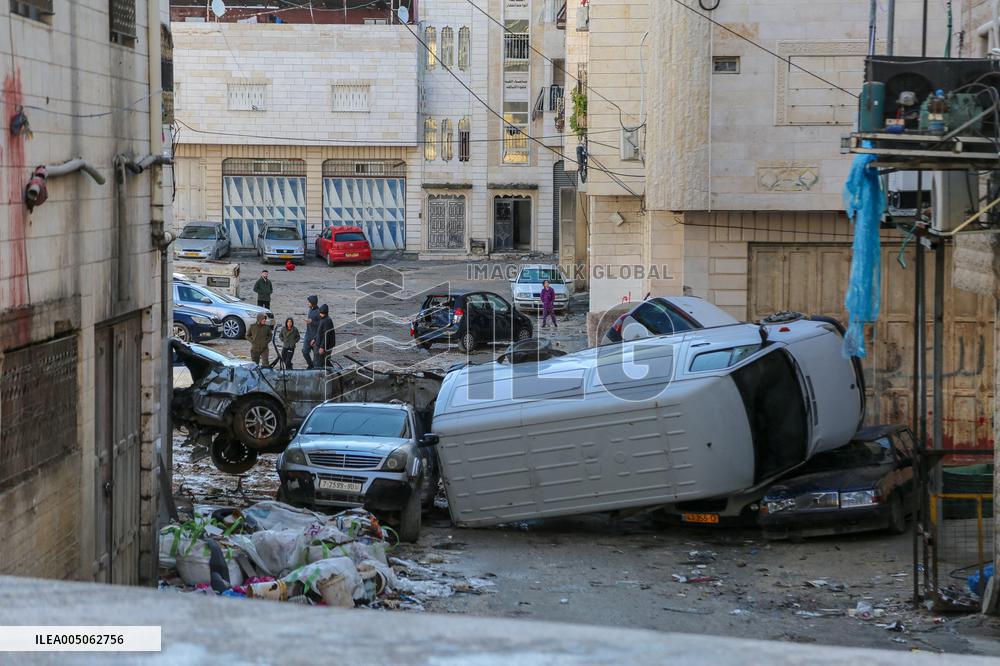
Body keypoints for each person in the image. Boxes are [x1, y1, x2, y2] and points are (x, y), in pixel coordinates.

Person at [315, 304, 336, 368]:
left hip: (326, 346)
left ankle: (335, 373)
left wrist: (322, 347)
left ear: (324, 313)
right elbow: (319, 332)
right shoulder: (323, 319)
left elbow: (326, 335)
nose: (319, 314)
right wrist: (315, 339)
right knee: (325, 361)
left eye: (321, 313)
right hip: (323, 345)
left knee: (324, 361)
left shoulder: (326, 321)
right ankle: (336, 373)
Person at [302, 295, 320, 369]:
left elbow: (321, 325)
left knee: (316, 355)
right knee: (305, 351)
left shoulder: (319, 311)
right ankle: (310, 364)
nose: (308, 303)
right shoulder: (310, 309)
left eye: (309, 302)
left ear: (313, 303)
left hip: (316, 337)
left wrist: (311, 322)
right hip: (308, 335)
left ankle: (315, 368)